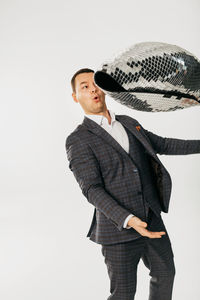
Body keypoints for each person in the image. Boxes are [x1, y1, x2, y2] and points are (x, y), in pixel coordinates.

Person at [65, 68, 200, 300]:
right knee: (124, 294)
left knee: (166, 275)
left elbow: (163, 144)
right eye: (84, 87)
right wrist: (128, 219)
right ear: (76, 97)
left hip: (151, 217)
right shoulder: (78, 139)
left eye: (95, 83)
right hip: (118, 230)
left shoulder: (129, 122)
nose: (92, 89)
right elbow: (91, 189)